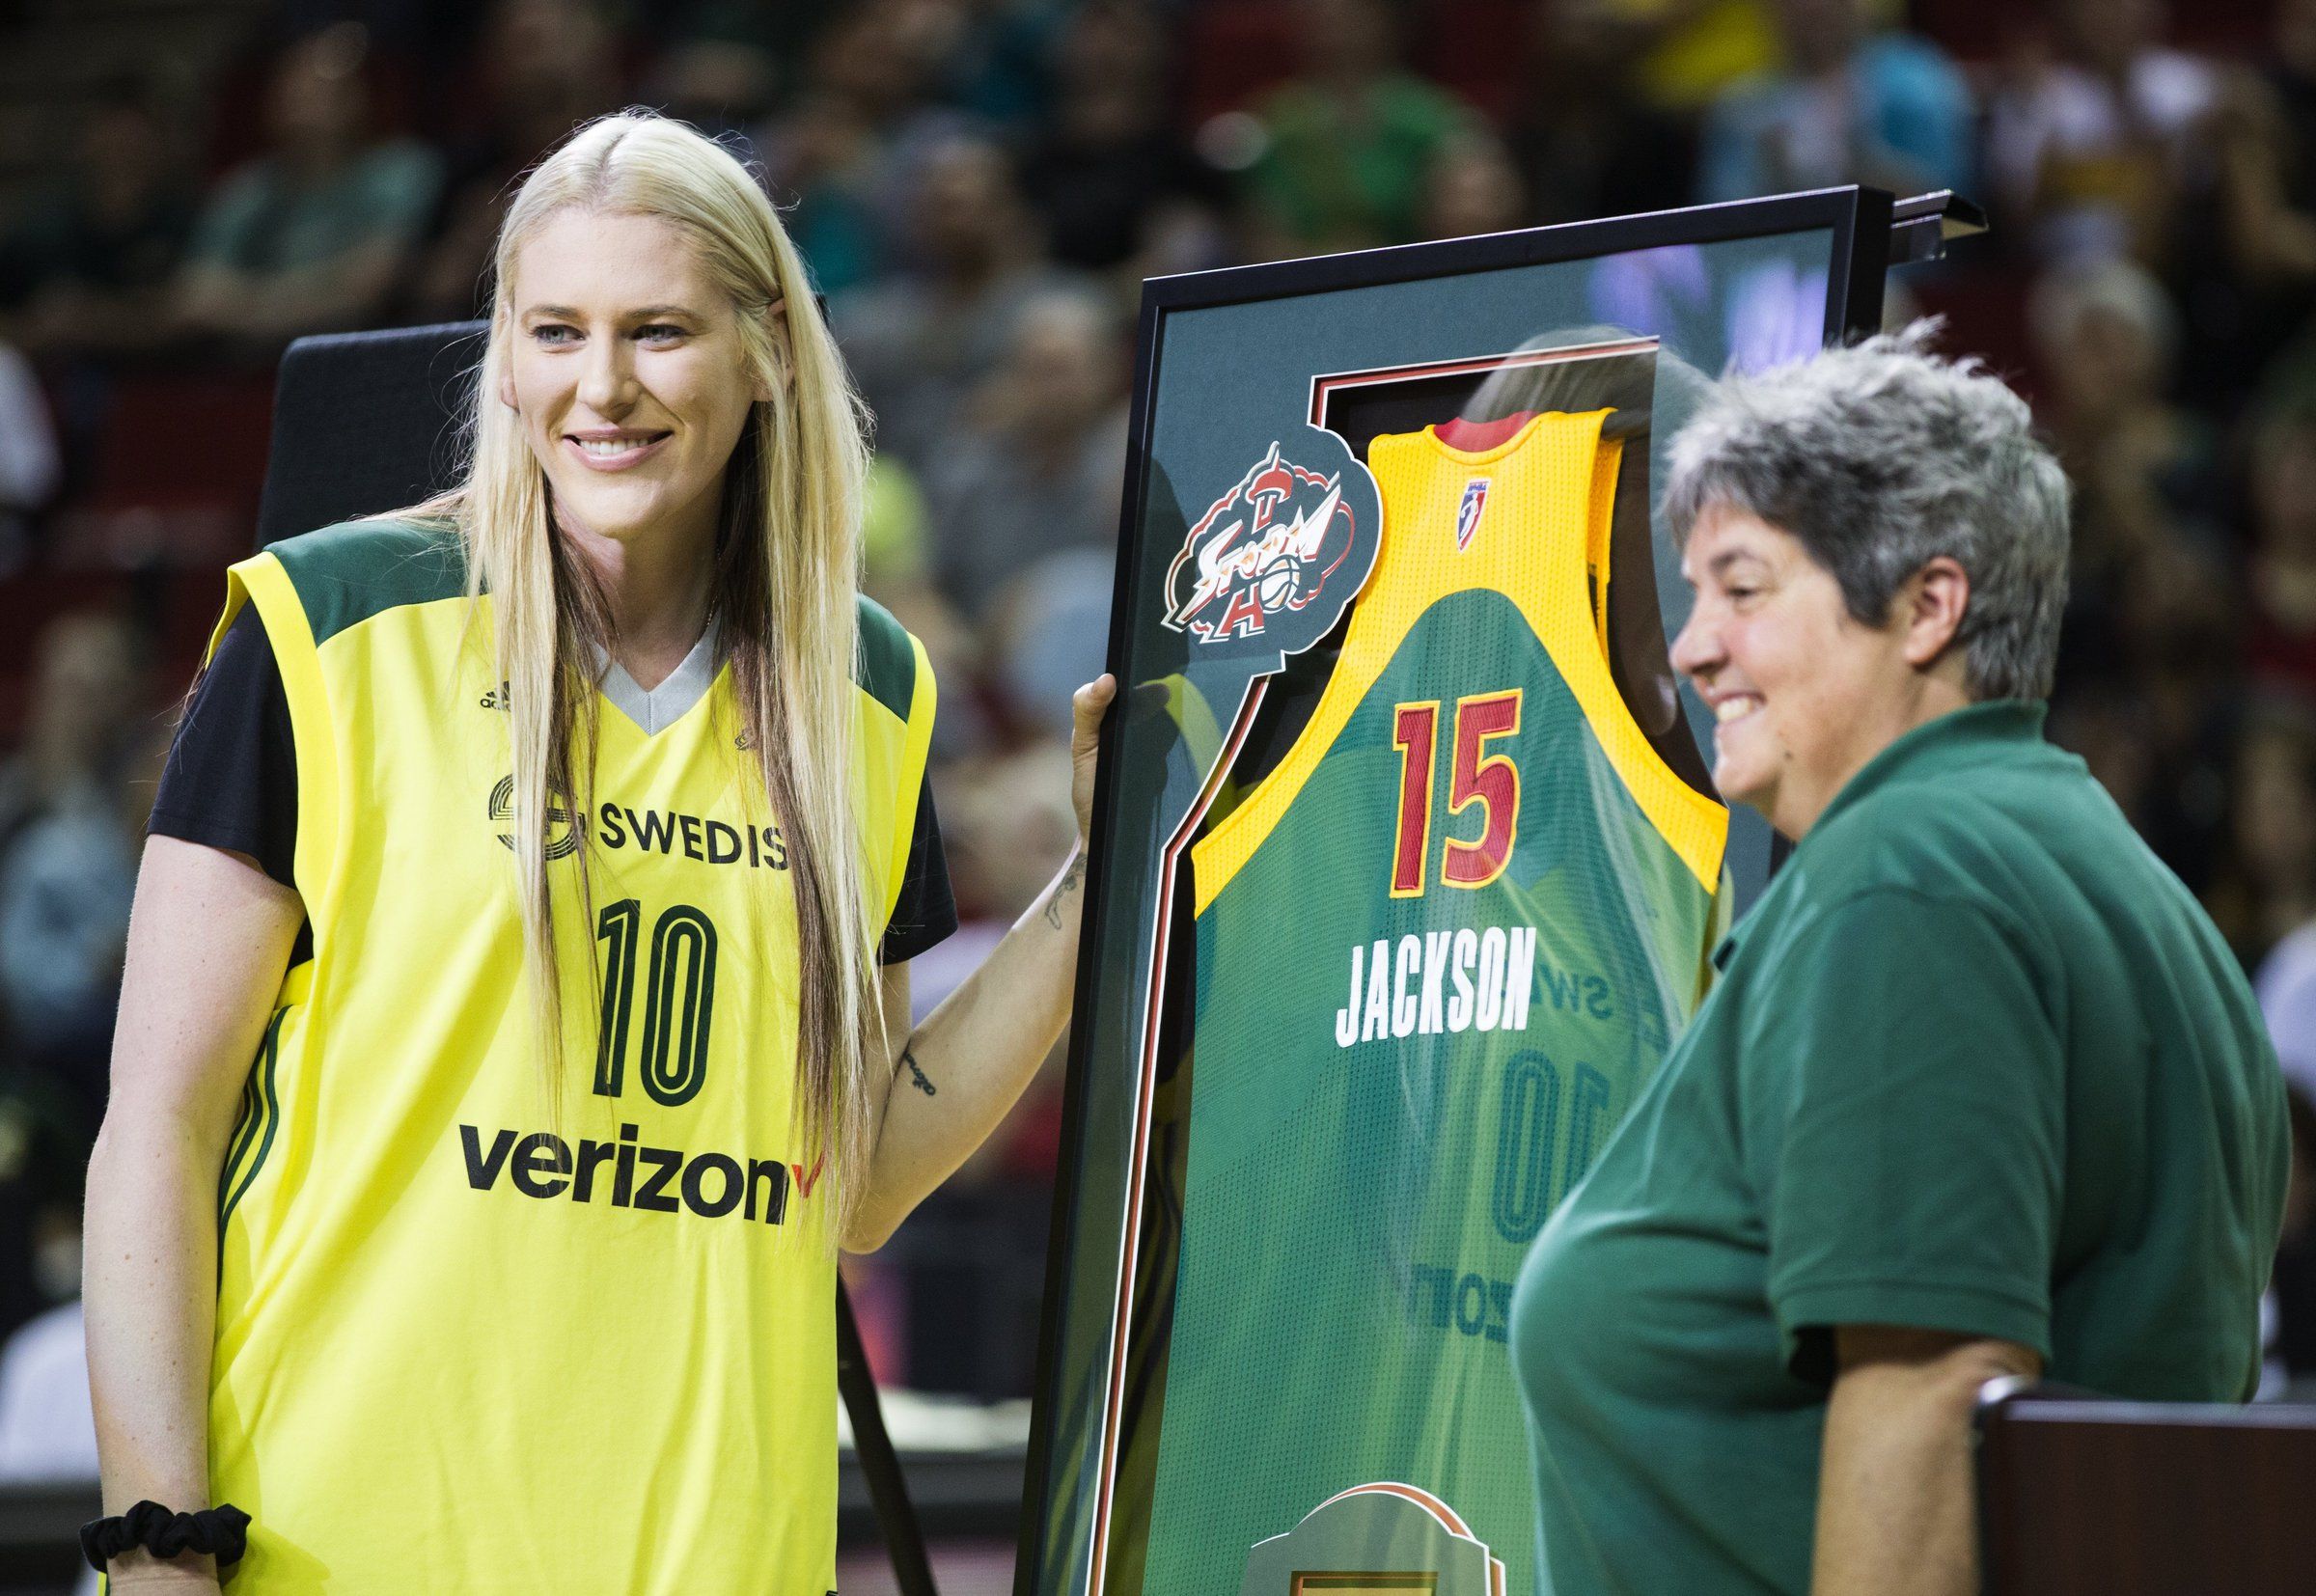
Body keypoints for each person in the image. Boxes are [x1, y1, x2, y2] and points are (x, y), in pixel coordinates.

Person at [82, 111, 1114, 1593]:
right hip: (341, 1540)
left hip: (718, 1556)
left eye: (659, 331)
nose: (602, 386)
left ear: (765, 345)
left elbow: (861, 1170)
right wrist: (156, 1541)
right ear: (502, 355)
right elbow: (157, 1128)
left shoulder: (865, 692)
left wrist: (1099, 874)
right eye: (556, 329)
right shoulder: (331, 627)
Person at [1513, 330, 2288, 1596]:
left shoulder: (1905, 880)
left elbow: (1934, 1396)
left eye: (1744, 590)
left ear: (1928, 604)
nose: (1695, 647)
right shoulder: (2104, 867)